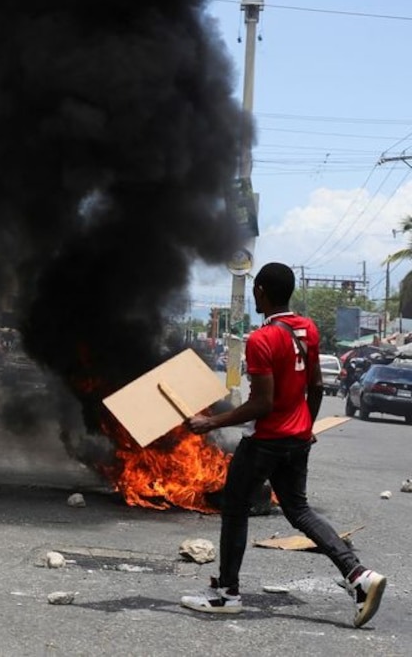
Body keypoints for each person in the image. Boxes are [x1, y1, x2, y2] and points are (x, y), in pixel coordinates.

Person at [179, 262, 386, 628]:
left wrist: (209, 421)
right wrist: (307, 426)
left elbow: (262, 404)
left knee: (235, 508)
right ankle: (359, 576)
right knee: (299, 511)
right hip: (297, 439)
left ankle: (227, 593)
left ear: (259, 291)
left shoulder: (262, 340)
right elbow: (317, 386)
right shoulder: (307, 329)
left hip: (266, 442)